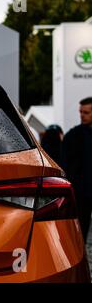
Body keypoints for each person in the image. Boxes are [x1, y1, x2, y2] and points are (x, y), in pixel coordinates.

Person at [61, 97, 92, 240]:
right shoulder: (73, 136)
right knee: (79, 233)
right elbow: (64, 162)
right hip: (80, 193)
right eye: (81, 112)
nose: (82, 115)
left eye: (86, 112)